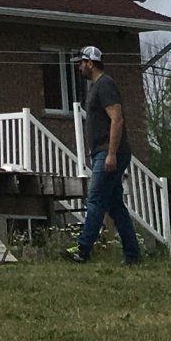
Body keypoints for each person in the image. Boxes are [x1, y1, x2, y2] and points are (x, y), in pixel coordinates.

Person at [63, 43, 142, 265]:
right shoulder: (96, 87)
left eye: (81, 63)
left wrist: (111, 154)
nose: (79, 68)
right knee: (115, 205)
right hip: (103, 151)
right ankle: (133, 255)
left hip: (109, 152)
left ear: (90, 63)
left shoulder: (105, 85)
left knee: (95, 199)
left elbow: (117, 119)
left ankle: (82, 249)